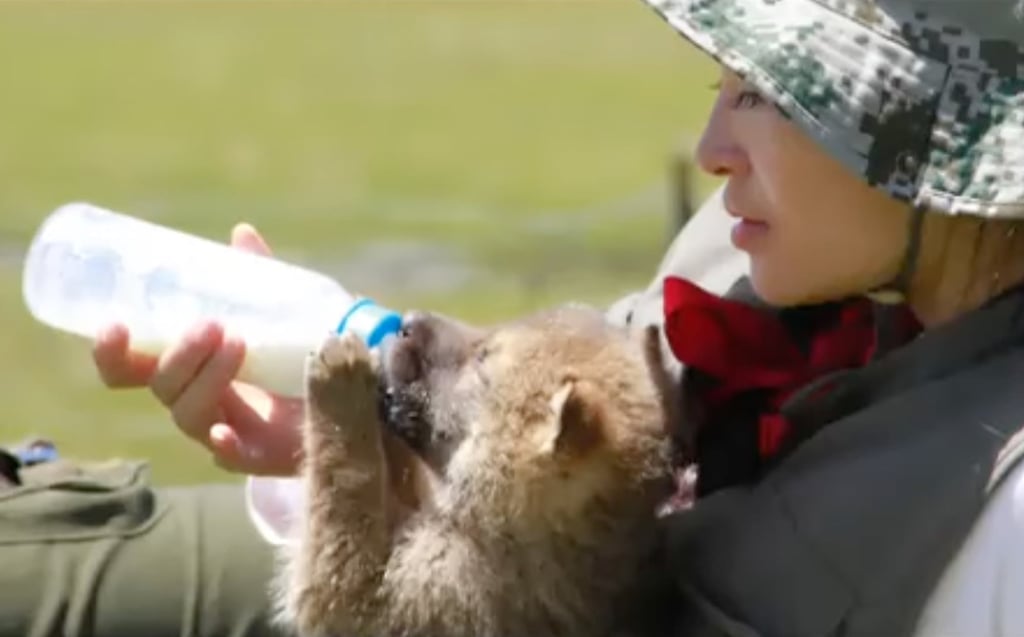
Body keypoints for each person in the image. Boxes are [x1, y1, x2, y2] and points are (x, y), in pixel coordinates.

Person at [90, 1, 1024, 636]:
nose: (710, 151)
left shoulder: (999, 526)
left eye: (769, 93)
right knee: (55, 540)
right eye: (720, 88)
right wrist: (366, 437)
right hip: (417, 549)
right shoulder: (792, 249)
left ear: (935, 144)